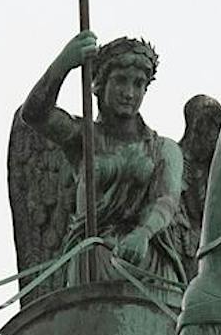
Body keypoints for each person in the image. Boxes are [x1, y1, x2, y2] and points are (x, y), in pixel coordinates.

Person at [16, 30, 186, 284]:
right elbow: (34, 114)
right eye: (120, 80)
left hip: (149, 258)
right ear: (99, 85)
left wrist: (143, 234)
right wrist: (64, 62)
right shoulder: (82, 137)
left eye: (138, 84)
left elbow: (166, 200)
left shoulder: (164, 149)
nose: (129, 93)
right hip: (95, 257)